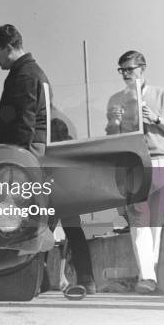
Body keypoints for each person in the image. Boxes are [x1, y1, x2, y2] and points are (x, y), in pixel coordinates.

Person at [106, 51, 164, 294]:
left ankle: (150, 276)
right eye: (122, 70)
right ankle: (147, 277)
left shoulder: (162, 94)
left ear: (142, 67)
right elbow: (112, 139)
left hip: (160, 160)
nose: (125, 74)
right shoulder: (116, 99)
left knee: (156, 223)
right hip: (134, 163)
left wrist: (156, 119)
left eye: (129, 69)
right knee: (139, 219)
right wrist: (114, 124)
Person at [0, 24, 49, 157]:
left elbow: (23, 125)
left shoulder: (24, 76)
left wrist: (14, 160)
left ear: (8, 48)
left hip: (23, 153)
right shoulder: (30, 72)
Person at [51, 118, 96, 295]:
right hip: (68, 196)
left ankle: (41, 279)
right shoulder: (71, 147)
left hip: (51, 193)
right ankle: (87, 279)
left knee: (42, 234)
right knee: (76, 235)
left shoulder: (46, 148)